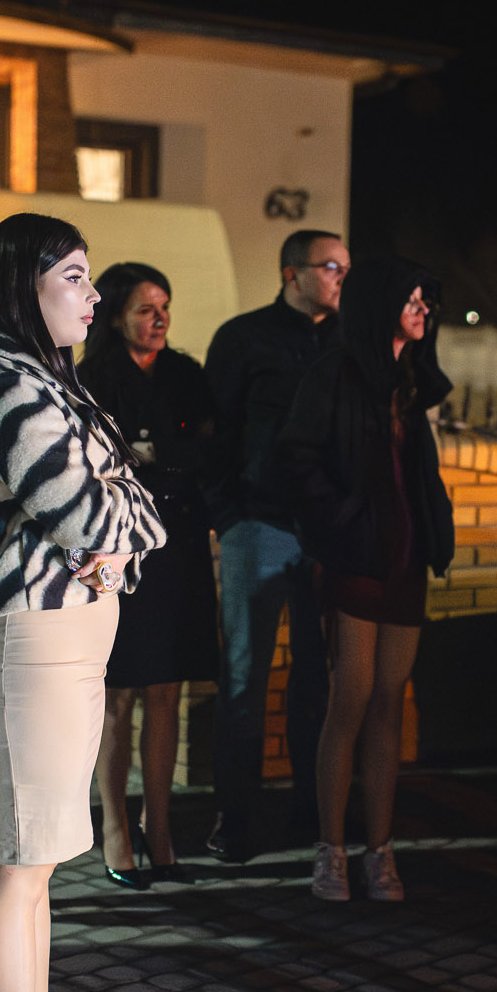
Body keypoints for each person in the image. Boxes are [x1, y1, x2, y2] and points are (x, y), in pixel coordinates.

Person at [0, 212, 164, 992]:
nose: (94, 294)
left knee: (28, 879)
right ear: (22, 287)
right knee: (12, 876)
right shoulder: (3, 384)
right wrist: (113, 529)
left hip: (50, 649)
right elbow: (88, 515)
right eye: (74, 276)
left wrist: (118, 527)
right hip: (24, 651)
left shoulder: (40, 379)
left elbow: (135, 499)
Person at [278, 255, 454, 904]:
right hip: (356, 560)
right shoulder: (337, 371)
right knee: (348, 699)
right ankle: (331, 851)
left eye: (426, 300)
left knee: (388, 703)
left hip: (405, 562)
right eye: (412, 299)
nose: (423, 309)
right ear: (382, 304)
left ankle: (379, 851)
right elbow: (297, 458)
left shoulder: (409, 379)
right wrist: (342, 521)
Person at [200, 229, 346, 864]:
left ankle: (312, 812)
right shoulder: (244, 337)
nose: (340, 277)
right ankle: (234, 815)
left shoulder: (348, 339)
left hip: (327, 531)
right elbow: (214, 430)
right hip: (258, 523)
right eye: (330, 266)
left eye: (344, 267)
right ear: (292, 272)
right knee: (245, 676)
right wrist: (229, 514)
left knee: (317, 675)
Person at [79, 262, 219, 890]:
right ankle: (116, 830)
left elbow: (205, 451)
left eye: (164, 307)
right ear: (115, 316)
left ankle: (159, 830)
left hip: (180, 545)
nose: (159, 319)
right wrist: (160, 458)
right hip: (122, 550)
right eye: (144, 309)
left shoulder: (186, 375)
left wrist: (160, 456)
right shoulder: (92, 379)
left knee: (167, 691)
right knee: (118, 697)